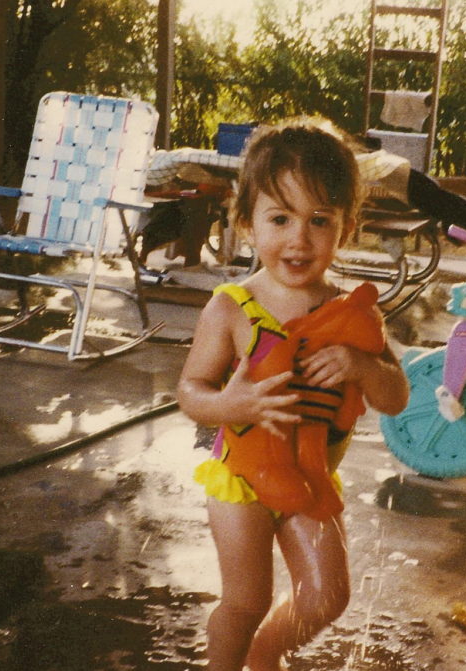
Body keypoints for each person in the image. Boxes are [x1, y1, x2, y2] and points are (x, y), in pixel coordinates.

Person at [176, 118, 410, 671]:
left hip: (312, 476)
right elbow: (190, 391)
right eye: (279, 218)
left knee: (328, 596)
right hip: (241, 481)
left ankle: (264, 656)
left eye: (319, 220)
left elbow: (396, 396)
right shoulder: (232, 307)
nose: (299, 239)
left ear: (346, 228)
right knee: (246, 599)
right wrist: (232, 406)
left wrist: (360, 364)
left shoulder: (354, 314)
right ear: (246, 224)